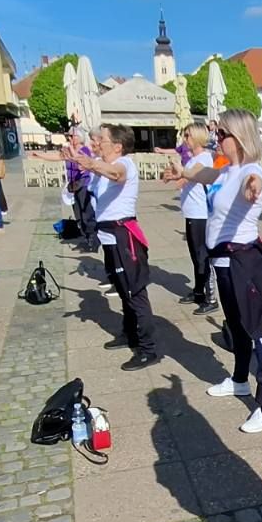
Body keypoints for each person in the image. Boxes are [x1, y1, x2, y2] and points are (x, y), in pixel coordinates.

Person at [164, 109, 262, 431]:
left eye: (221, 134)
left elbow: (254, 186)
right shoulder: (226, 171)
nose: (216, 139)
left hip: (245, 264)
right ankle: (240, 379)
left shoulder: (251, 172)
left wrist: (253, 188)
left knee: (260, 333)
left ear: (239, 138)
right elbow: (203, 174)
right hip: (224, 262)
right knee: (237, 328)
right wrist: (181, 171)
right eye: (216, 133)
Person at [75, 124, 160, 370]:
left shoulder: (126, 164)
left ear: (117, 146)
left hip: (125, 236)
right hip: (109, 236)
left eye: (102, 139)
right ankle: (130, 333)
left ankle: (148, 349)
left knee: (135, 293)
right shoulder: (102, 169)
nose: (97, 143)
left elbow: (117, 175)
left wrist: (91, 164)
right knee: (123, 291)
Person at [176, 123, 216, 313]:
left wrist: (181, 173)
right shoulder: (192, 158)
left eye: (188, 136)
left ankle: (211, 298)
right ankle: (198, 290)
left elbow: (196, 173)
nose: (185, 139)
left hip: (201, 214)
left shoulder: (204, 158)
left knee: (202, 257)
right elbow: (185, 178)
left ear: (198, 137)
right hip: (192, 213)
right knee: (195, 256)